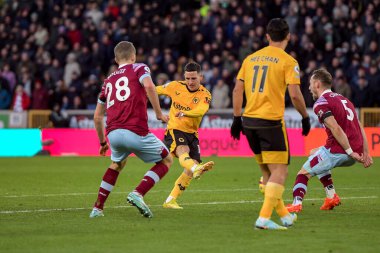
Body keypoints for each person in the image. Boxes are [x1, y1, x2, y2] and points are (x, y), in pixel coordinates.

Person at [231, 18, 311, 230]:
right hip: (271, 122)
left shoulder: (250, 59)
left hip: (249, 121)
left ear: (267, 36)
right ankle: (263, 218)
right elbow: (295, 95)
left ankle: (284, 216)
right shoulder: (288, 61)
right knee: (281, 171)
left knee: (267, 172)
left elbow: (237, 90)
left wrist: (236, 118)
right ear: (288, 37)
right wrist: (305, 117)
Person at [89, 41, 173, 218]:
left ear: (115, 59)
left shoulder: (108, 81)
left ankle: (97, 209)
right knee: (166, 160)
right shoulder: (139, 68)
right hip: (135, 130)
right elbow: (149, 86)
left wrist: (103, 142)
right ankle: (138, 193)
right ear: (133, 56)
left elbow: (97, 117)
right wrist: (159, 114)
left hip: (113, 134)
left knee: (117, 163)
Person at [286, 68, 373, 213]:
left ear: (318, 84)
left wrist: (350, 152)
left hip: (341, 150)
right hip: (354, 151)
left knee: (302, 174)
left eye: (311, 83)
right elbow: (359, 126)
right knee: (315, 153)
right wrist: (366, 153)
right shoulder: (344, 99)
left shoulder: (321, 103)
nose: (309, 87)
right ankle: (331, 196)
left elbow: (335, 128)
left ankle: (296, 204)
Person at [157, 62, 214, 209]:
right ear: (184, 76)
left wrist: (185, 113)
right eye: (188, 78)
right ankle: (196, 168)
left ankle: (170, 200)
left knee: (190, 168)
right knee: (183, 150)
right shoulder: (175, 86)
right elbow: (154, 90)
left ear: (200, 77)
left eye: (194, 78)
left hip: (192, 133)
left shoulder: (205, 94)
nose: (190, 82)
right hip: (175, 128)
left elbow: (201, 111)